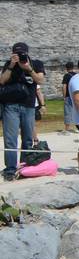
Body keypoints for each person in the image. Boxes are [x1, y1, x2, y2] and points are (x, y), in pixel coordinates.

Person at [0, 42, 46, 181]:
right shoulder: (9, 64)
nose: (19, 56)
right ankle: (10, 169)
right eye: (17, 53)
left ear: (27, 52)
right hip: (11, 105)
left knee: (27, 139)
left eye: (22, 53)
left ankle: (24, 167)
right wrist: (12, 65)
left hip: (28, 105)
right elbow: (2, 81)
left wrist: (29, 69)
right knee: (10, 139)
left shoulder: (36, 63)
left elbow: (40, 80)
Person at [61, 61, 77, 133]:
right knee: (76, 112)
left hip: (68, 95)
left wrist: (64, 96)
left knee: (67, 111)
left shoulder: (66, 76)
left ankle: (67, 129)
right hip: (76, 96)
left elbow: (64, 86)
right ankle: (77, 127)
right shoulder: (76, 75)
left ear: (66, 68)